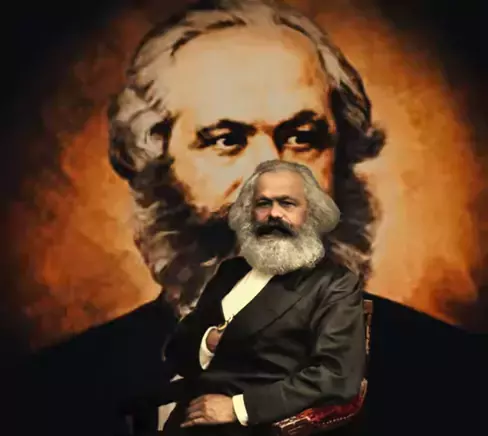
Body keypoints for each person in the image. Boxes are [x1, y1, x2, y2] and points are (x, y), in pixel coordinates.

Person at [108, 0, 386, 320]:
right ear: (158, 161)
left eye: (301, 138)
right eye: (227, 141)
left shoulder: (429, 349)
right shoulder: (99, 354)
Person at [115, 160, 367, 436]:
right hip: (192, 418)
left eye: (287, 203)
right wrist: (209, 342)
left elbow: (337, 376)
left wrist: (237, 408)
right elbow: (178, 350)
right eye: (263, 203)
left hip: (261, 434)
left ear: (311, 213)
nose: (274, 214)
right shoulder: (231, 272)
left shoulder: (333, 283)